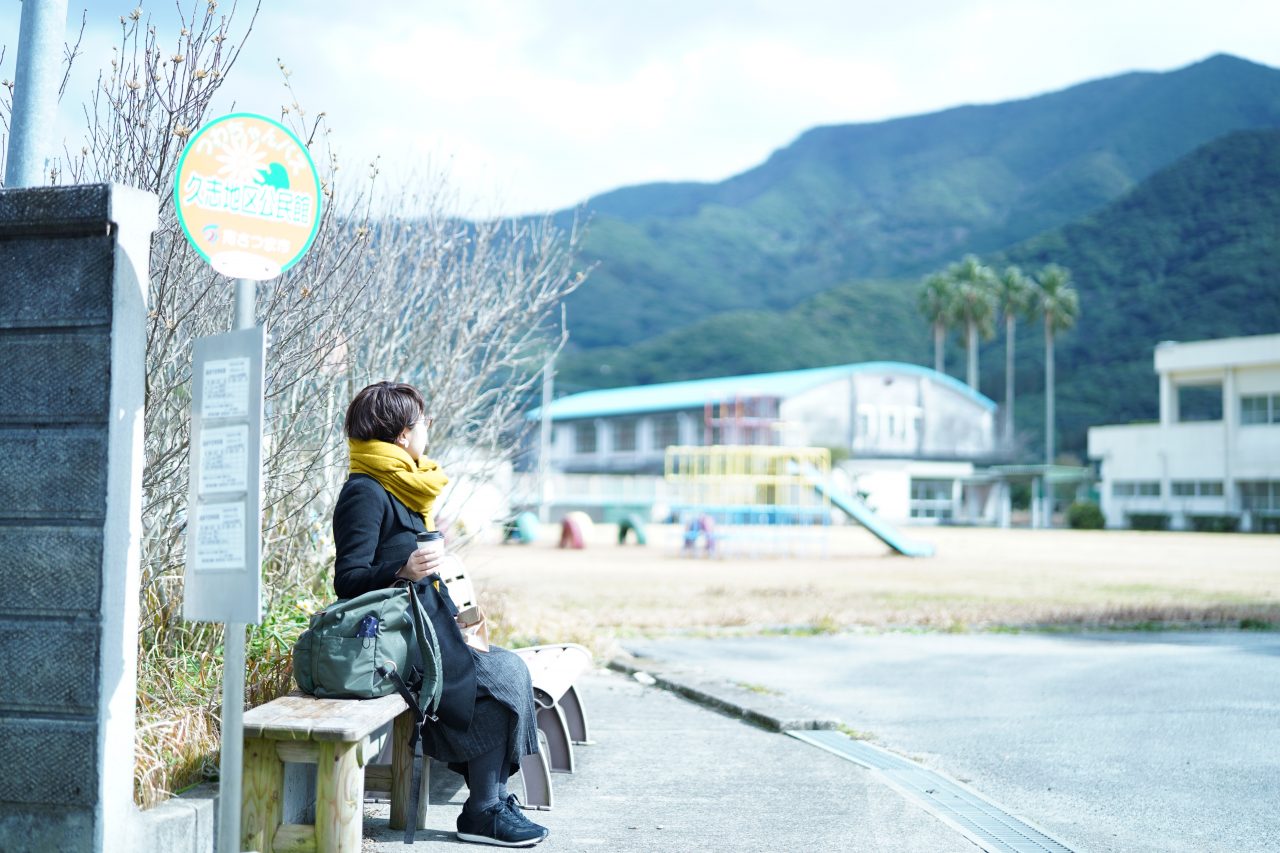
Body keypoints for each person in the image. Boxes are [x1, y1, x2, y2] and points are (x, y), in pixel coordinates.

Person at [333, 381, 548, 847]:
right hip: (394, 644)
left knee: (506, 672)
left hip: (431, 629)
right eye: (423, 423)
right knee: (504, 675)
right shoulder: (366, 492)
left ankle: (487, 805)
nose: (428, 430)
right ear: (402, 434)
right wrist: (403, 568)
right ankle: (484, 810)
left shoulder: (405, 487)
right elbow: (346, 581)